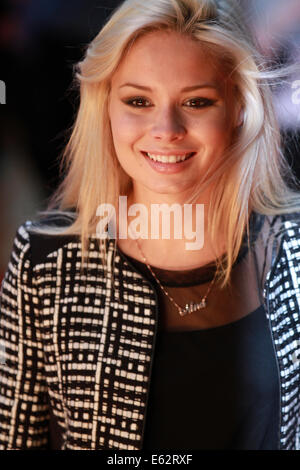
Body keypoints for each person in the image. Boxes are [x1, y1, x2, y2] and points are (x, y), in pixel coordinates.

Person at [1, 0, 300, 451]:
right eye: (138, 101)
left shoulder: (293, 249)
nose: (166, 128)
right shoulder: (44, 259)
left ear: (240, 106)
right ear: (105, 107)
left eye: (197, 101)